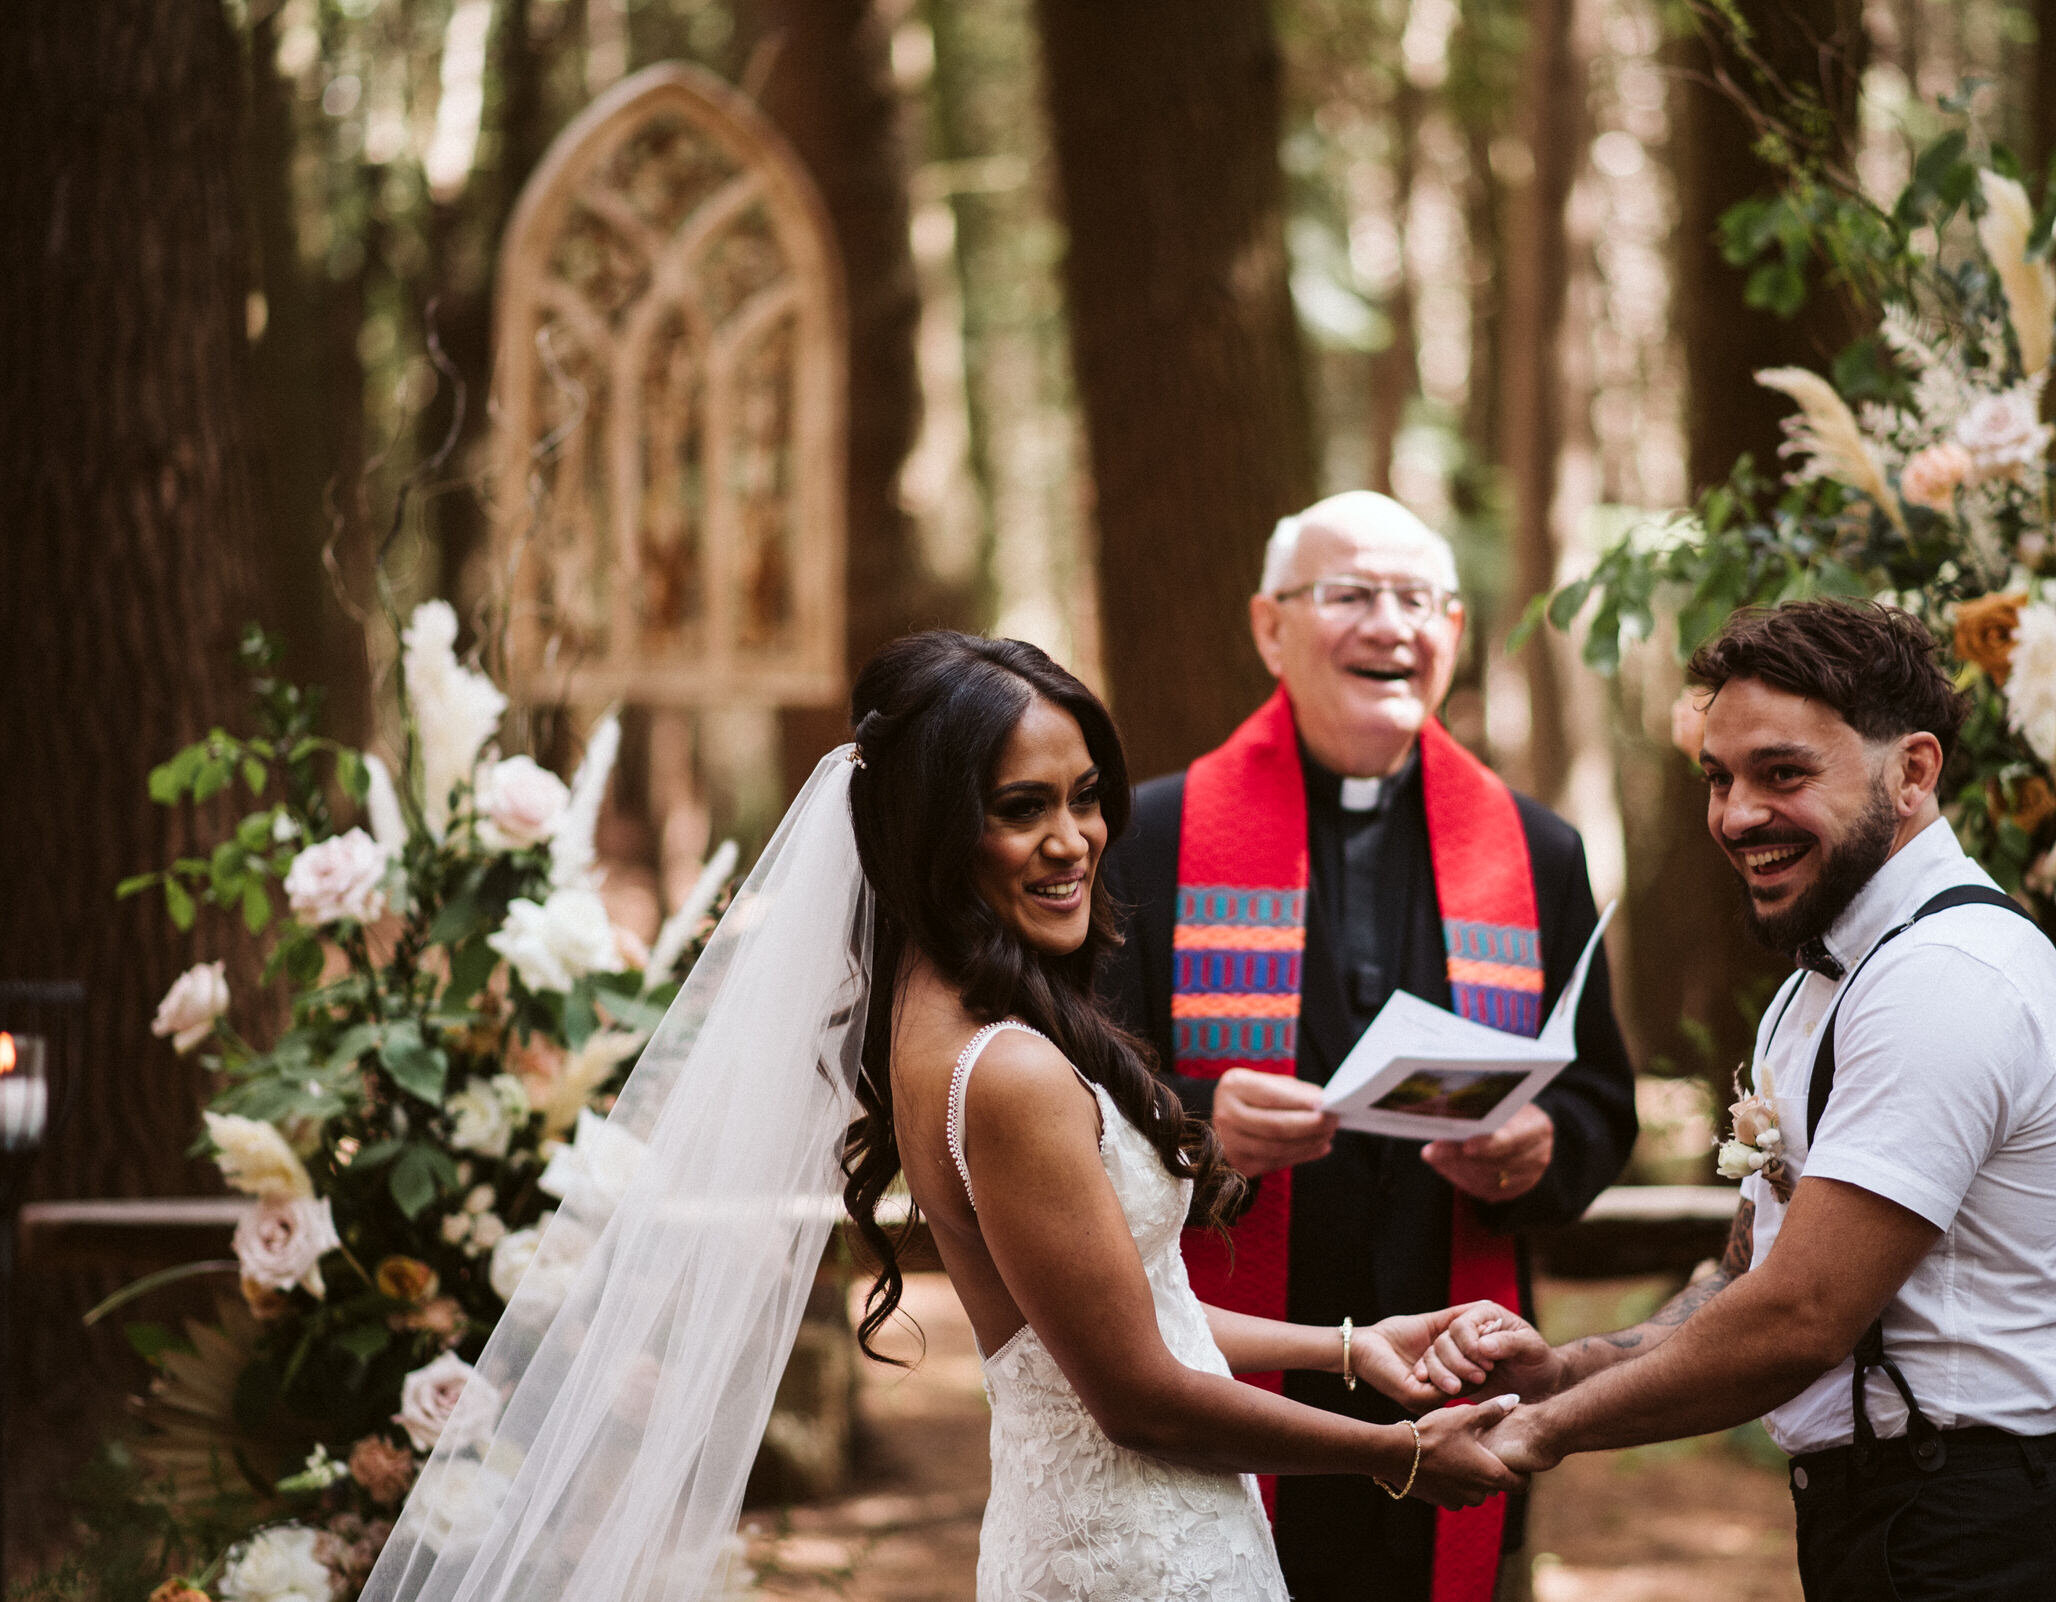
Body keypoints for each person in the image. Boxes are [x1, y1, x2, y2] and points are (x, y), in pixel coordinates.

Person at [359, 631, 1524, 1602]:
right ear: (932, 829)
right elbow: (1134, 1397)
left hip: (1129, 1539)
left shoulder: (951, 1018)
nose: (1073, 842)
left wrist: (1348, 1346)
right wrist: (1398, 1455)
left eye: (1084, 799)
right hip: (1130, 1558)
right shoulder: (1004, 1070)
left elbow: (1124, 1313)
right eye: (1022, 810)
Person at [1418, 600, 2056, 1600]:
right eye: (1718, 777)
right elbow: (1749, 1273)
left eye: (1783, 773)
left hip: (1982, 1530)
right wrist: (1565, 1371)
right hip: (1884, 1518)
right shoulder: (1821, 982)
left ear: (1912, 772)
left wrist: (1538, 1434)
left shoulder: (1946, 976)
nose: (1736, 814)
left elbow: (1801, 1316)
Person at [1097, 492, 1640, 1602]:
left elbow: (1602, 1102)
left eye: (1419, 600)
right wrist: (1198, 1120)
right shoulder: (1151, 836)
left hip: (1451, 1359)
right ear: (1270, 627)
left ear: (1450, 631)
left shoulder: (1537, 850)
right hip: (1238, 1352)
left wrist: (1544, 1147)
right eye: (1350, 595)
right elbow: (1082, 1087)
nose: (1390, 626)